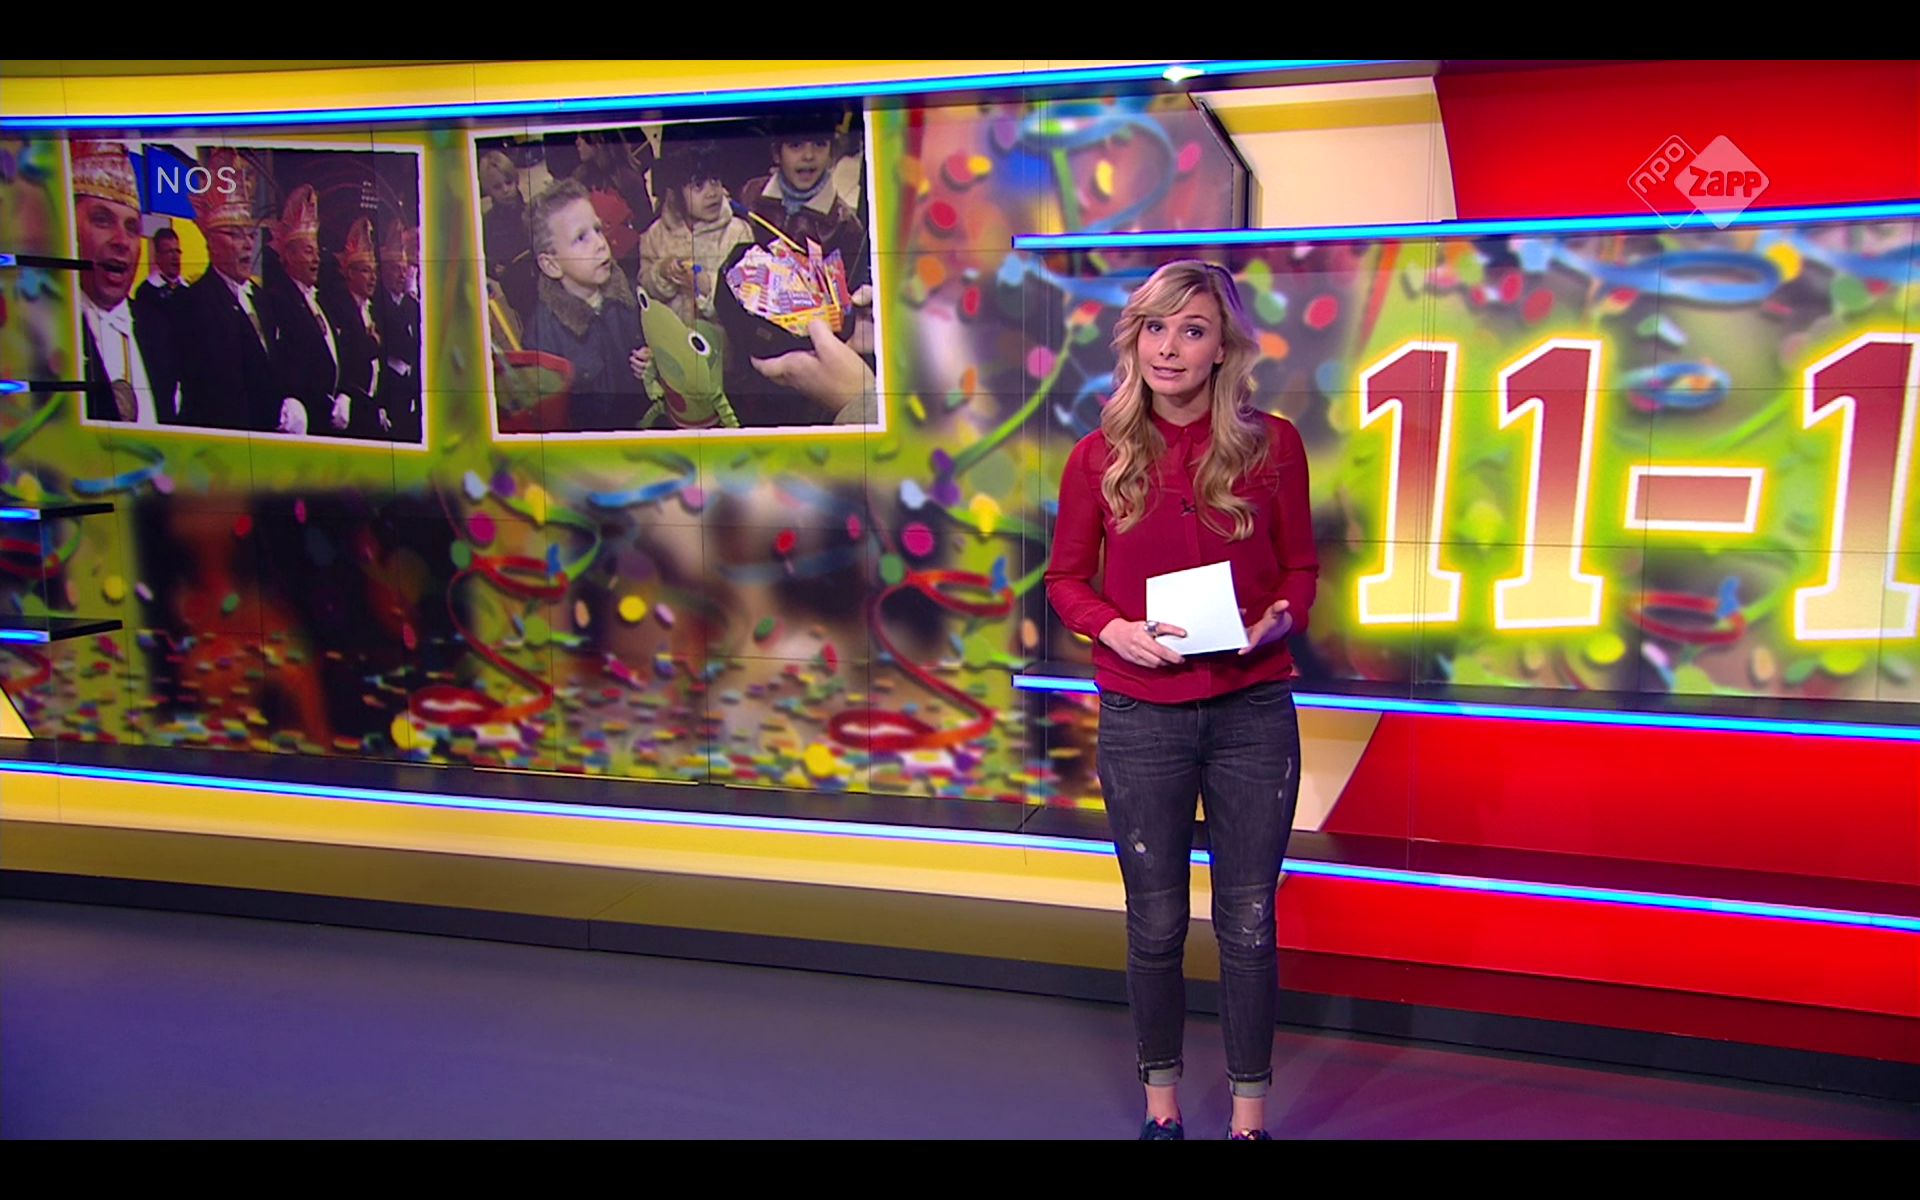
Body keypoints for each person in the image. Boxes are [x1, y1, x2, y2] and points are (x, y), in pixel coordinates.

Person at [1043, 260, 1319, 1141]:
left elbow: (1302, 568)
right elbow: (1064, 580)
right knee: (1156, 922)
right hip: (1141, 715)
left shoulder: (1274, 446)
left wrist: (1281, 619)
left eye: (1191, 330)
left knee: (1248, 922)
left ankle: (1247, 1121)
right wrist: (1112, 629)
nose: (1169, 347)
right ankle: (1162, 1113)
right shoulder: (1098, 456)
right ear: (1135, 342)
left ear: (1222, 347)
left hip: (1252, 713)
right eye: (1155, 329)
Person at [522, 177, 649, 432]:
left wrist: (651, 360)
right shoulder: (542, 337)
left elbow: (649, 342)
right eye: (581, 238)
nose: (600, 244)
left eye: (598, 230)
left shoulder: (629, 295)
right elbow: (550, 419)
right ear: (551, 265)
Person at [71, 139, 180, 427]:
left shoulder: (158, 329)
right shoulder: (49, 330)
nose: (122, 241)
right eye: (102, 220)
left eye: (132, 228)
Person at [177, 147, 277, 432]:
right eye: (234, 234)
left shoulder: (261, 298)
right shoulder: (192, 304)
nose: (247, 244)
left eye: (250, 234)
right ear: (210, 241)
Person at [259, 183, 348, 436]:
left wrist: (343, 394)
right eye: (309, 251)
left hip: (329, 421)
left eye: (317, 252)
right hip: (305, 422)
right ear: (288, 254)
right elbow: (286, 364)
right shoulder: (278, 300)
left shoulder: (319, 300)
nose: (316, 259)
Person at [637, 141, 753, 329]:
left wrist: (707, 285)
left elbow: (748, 294)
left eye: (715, 180)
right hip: (673, 338)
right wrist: (663, 272)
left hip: (721, 340)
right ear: (675, 193)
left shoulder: (737, 231)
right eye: (698, 185)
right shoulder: (655, 235)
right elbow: (645, 289)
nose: (712, 193)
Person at [322, 215, 389, 439]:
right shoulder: (338, 308)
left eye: (374, 272)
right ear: (350, 273)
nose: (373, 278)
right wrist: (371, 343)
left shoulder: (373, 310)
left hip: (371, 406)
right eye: (366, 271)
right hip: (349, 408)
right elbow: (349, 354)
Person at [374, 217, 423, 443]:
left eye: (405, 270)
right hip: (389, 387)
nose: (402, 276)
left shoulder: (409, 304)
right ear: (382, 272)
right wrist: (411, 296)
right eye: (396, 270)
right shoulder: (379, 303)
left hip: (410, 386)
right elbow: (399, 343)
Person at [478, 148, 537, 322]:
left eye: (508, 182)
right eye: (497, 187)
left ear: (516, 180)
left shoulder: (533, 211)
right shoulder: (487, 223)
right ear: (488, 190)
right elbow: (485, 258)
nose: (505, 190)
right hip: (518, 293)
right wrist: (493, 268)